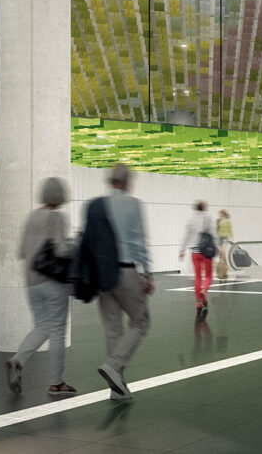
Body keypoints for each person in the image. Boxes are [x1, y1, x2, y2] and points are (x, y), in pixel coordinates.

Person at [5, 177, 76, 399]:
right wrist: (75, 246)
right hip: (53, 281)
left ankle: (18, 360)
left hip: (31, 281)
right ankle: (56, 383)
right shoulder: (57, 217)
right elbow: (61, 250)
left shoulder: (32, 216)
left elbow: (22, 251)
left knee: (42, 326)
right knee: (57, 331)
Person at [93, 164, 153, 400]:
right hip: (125, 271)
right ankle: (114, 366)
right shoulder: (133, 204)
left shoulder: (97, 205)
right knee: (141, 322)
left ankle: (117, 388)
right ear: (127, 181)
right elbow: (139, 241)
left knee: (113, 329)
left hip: (102, 273)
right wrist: (147, 273)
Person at [180, 200, 214, 314]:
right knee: (208, 275)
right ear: (204, 208)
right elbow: (213, 235)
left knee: (197, 277)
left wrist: (182, 250)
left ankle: (198, 302)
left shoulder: (191, 220)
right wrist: (218, 249)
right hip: (207, 251)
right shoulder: (208, 218)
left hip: (195, 252)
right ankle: (204, 289)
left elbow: (187, 236)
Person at [216, 210, 233, 281]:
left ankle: (221, 273)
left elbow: (230, 231)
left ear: (224, 214)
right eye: (219, 214)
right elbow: (216, 230)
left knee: (222, 252)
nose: (220, 215)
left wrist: (232, 239)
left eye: (221, 214)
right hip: (219, 238)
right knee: (222, 254)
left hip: (226, 238)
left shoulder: (228, 222)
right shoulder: (218, 221)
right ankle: (225, 268)